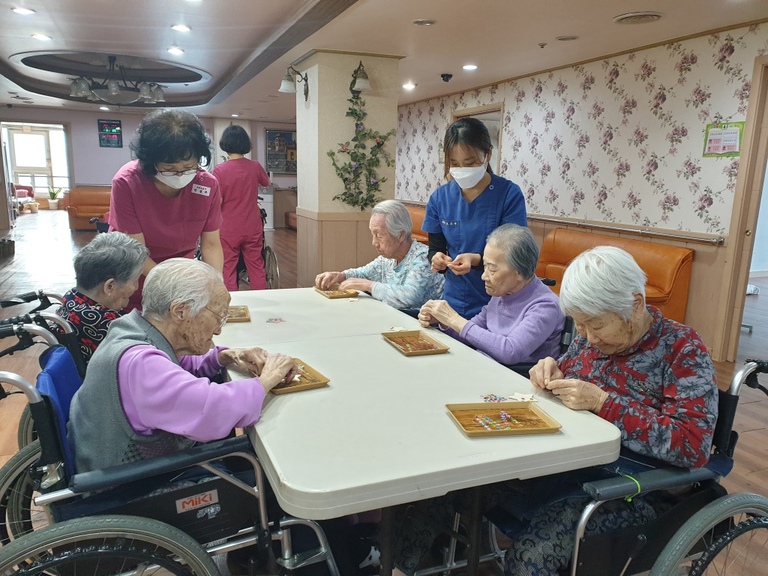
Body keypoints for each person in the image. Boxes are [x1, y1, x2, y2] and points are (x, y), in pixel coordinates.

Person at [394, 246, 718, 576]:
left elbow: (692, 444)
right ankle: (394, 567)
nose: (588, 338)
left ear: (635, 305)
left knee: (530, 557)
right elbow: (569, 368)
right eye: (580, 325)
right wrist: (550, 368)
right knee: (445, 486)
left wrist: (603, 403)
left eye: (596, 325)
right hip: (563, 466)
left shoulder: (682, 349)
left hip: (630, 491)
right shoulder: (592, 338)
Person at [67, 258, 295, 473]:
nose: (218, 330)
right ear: (180, 311)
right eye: (218, 317)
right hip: (130, 483)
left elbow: (174, 367)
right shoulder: (141, 365)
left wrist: (223, 357)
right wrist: (269, 378)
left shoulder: (134, 328)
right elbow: (212, 409)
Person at [109, 109, 224, 311]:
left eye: (188, 166)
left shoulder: (207, 184)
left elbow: (211, 245)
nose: (180, 175)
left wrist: (216, 285)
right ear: (150, 162)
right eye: (169, 169)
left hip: (178, 276)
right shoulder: (127, 183)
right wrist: (173, 286)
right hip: (132, 278)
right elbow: (136, 252)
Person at [424, 117, 527, 319]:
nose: (462, 169)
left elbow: (515, 254)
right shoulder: (440, 198)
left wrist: (476, 259)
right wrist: (437, 259)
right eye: (455, 163)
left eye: (470, 163)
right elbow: (435, 248)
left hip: (499, 302)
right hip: (454, 301)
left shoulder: (508, 195)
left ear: (488, 154)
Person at [418, 224, 564, 365]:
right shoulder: (503, 292)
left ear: (519, 272)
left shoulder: (545, 305)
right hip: (482, 366)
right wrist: (444, 321)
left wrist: (454, 319)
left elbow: (510, 351)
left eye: (492, 269)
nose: (484, 276)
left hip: (514, 376)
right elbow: (471, 335)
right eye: (485, 266)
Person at [315, 199, 444, 310]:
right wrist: (340, 276)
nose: (374, 243)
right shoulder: (388, 259)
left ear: (400, 235)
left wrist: (369, 286)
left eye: (379, 235)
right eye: (373, 235)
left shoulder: (423, 258)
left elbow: (409, 297)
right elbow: (363, 273)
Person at [56, 232, 148, 366]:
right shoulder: (109, 326)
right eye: (134, 281)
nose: (136, 287)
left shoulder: (71, 298)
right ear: (109, 286)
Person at [213, 124, 271, 291]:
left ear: (225, 144)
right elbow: (266, 182)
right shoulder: (255, 166)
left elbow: (218, 201)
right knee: (256, 265)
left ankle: (234, 302)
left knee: (228, 266)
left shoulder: (219, 170)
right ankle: (261, 300)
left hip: (228, 227)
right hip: (252, 225)